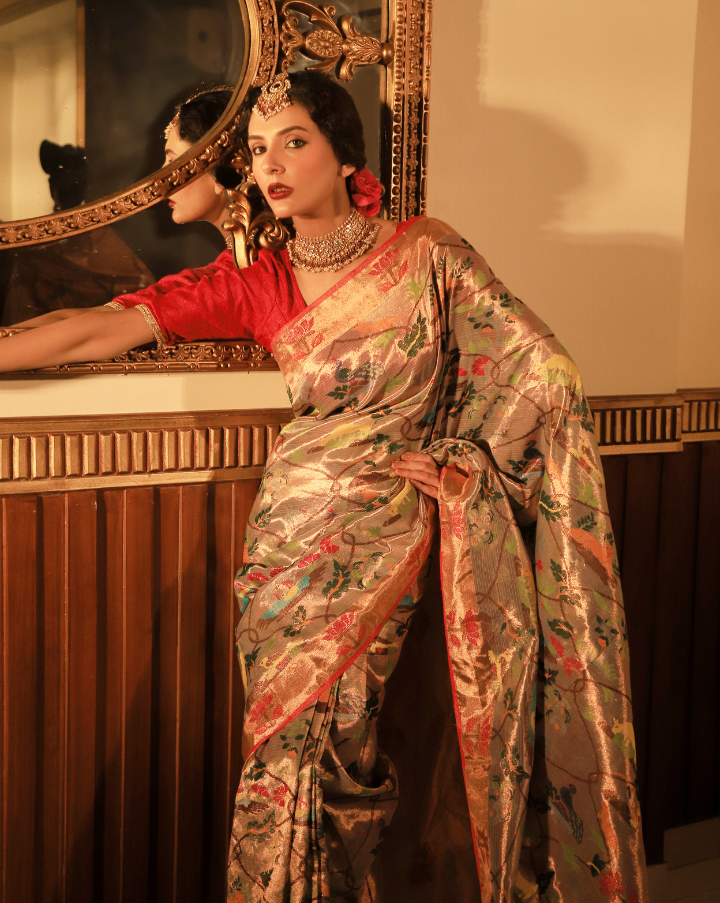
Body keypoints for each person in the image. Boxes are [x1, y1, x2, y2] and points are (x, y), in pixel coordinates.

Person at [0, 71, 648, 902]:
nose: (271, 165)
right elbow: (99, 326)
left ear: (346, 154)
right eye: (258, 151)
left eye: (294, 142)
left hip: (387, 534)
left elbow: (540, 369)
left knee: (349, 742)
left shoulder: (426, 253)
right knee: (283, 754)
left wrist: (464, 459)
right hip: (287, 547)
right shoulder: (257, 281)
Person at [6, 86, 236, 328]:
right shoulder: (212, 274)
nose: (161, 179)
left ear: (217, 164)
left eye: (174, 161)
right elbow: (97, 317)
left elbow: (101, 329)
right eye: (55, 180)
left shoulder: (106, 244)